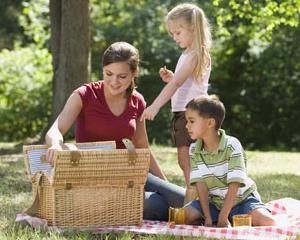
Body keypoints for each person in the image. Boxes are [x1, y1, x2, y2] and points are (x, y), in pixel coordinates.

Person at [45, 41, 185, 221]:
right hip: (94, 177)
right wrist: (56, 144)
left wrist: (163, 184)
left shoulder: (137, 101)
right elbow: (55, 129)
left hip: (129, 172)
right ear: (102, 69)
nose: (114, 81)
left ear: (134, 73)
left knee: (181, 198)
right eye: (108, 74)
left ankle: (225, 214)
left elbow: (142, 146)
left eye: (122, 76)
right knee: (154, 204)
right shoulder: (84, 95)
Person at [141, 3, 212, 189]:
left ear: (193, 29)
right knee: (186, 158)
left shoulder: (195, 55)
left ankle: (194, 195)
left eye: (178, 33)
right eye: (172, 33)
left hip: (191, 114)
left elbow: (177, 84)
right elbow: (185, 82)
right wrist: (172, 77)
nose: (174, 37)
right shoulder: (188, 54)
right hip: (186, 113)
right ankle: (194, 193)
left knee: (188, 158)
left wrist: (155, 106)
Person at [184, 95, 276, 227]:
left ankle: (229, 218)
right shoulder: (194, 149)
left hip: (242, 201)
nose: (187, 126)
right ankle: (224, 220)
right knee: (182, 217)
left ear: (210, 123)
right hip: (213, 204)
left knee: (269, 222)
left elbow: (235, 184)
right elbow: (201, 186)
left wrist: (223, 216)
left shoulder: (232, 145)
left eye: (191, 121)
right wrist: (208, 217)